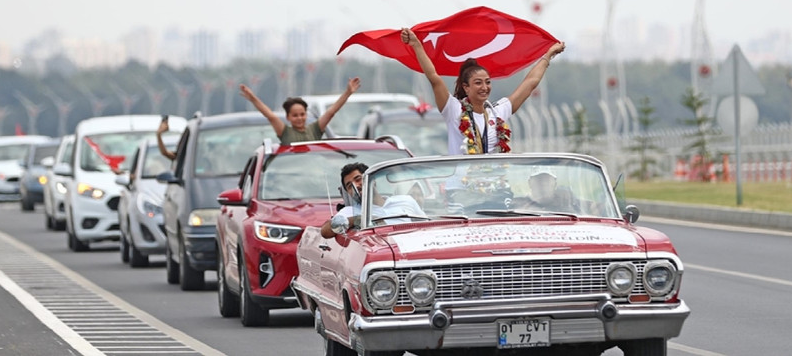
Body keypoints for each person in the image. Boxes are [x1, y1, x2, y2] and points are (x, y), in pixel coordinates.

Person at [401, 28, 565, 155]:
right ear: (466, 87)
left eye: (487, 82)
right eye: (478, 83)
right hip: (462, 190)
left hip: (495, 187)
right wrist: (416, 45)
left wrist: (548, 56)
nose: (484, 87)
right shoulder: (453, 110)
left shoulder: (497, 111)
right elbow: (434, 77)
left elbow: (530, 83)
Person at [239, 77, 361, 145]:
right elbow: (270, 116)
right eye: (295, 115)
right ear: (288, 117)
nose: (299, 118)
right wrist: (252, 98)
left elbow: (331, 112)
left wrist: (348, 92)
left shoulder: (315, 129)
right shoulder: (285, 132)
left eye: (302, 114)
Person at [320, 162, 424, 238]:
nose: (356, 186)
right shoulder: (350, 211)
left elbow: (427, 226)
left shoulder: (406, 200)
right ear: (348, 192)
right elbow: (325, 231)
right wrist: (359, 220)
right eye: (349, 186)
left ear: (372, 180)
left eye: (358, 179)